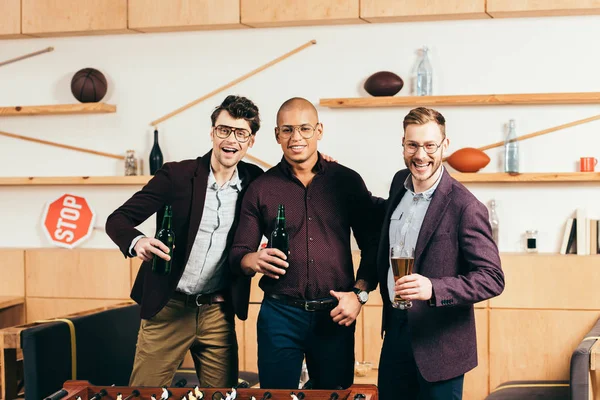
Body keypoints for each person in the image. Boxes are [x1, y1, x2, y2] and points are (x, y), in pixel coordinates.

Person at [105, 95, 263, 388]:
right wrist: (138, 241)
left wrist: (321, 163)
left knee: (222, 396)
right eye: (224, 130)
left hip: (217, 310)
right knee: (142, 394)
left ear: (250, 141)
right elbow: (117, 219)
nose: (231, 139)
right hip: (168, 306)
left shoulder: (256, 181)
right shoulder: (176, 175)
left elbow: (293, 178)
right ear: (212, 133)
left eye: (241, 133)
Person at [229, 97, 379, 390]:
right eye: (287, 130)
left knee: (333, 396)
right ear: (276, 135)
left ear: (319, 131)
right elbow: (239, 253)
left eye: (305, 129)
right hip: (279, 316)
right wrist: (252, 261)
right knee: (277, 396)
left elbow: (373, 244)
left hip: (335, 314)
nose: (296, 138)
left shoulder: (347, 181)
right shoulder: (261, 188)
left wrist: (358, 295)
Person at [376, 107, 505, 400]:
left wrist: (433, 288)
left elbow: (492, 278)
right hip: (395, 333)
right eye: (412, 145)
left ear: (445, 145)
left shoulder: (466, 206)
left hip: (440, 347)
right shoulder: (399, 183)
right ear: (403, 143)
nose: (420, 155)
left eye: (429, 145)